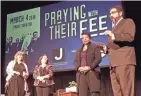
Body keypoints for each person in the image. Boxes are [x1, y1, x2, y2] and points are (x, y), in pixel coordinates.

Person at [103, 5, 136, 96]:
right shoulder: (113, 28)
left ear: (120, 13)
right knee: (117, 92)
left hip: (124, 61)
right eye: (110, 14)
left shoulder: (127, 22)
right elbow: (114, 44)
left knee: (127, 91)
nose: (110, 15)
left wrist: (113, 35)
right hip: (113, 64)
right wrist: (106, 48)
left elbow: (129, 37)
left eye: (113, 13)